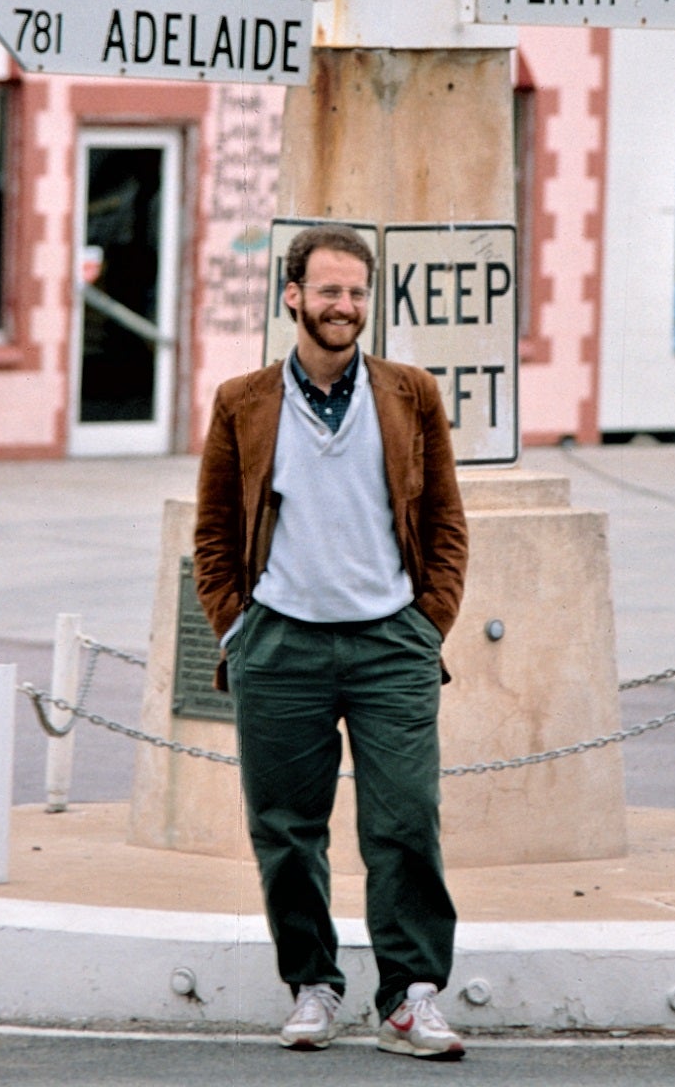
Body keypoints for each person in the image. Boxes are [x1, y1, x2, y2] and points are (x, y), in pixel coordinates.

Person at [194, 222, 468, 1059]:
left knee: (405, 821)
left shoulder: (410, 392)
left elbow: (445, 520)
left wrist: (428, 623)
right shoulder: (242, 401)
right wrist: (238, 627)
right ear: (293, 297)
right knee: (285, 828)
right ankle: (312, 983)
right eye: (327, 291)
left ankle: (409, 997)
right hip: (280, 646)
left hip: (391, 644)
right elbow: (213, 530)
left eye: (355, 292)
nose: (344, 306)